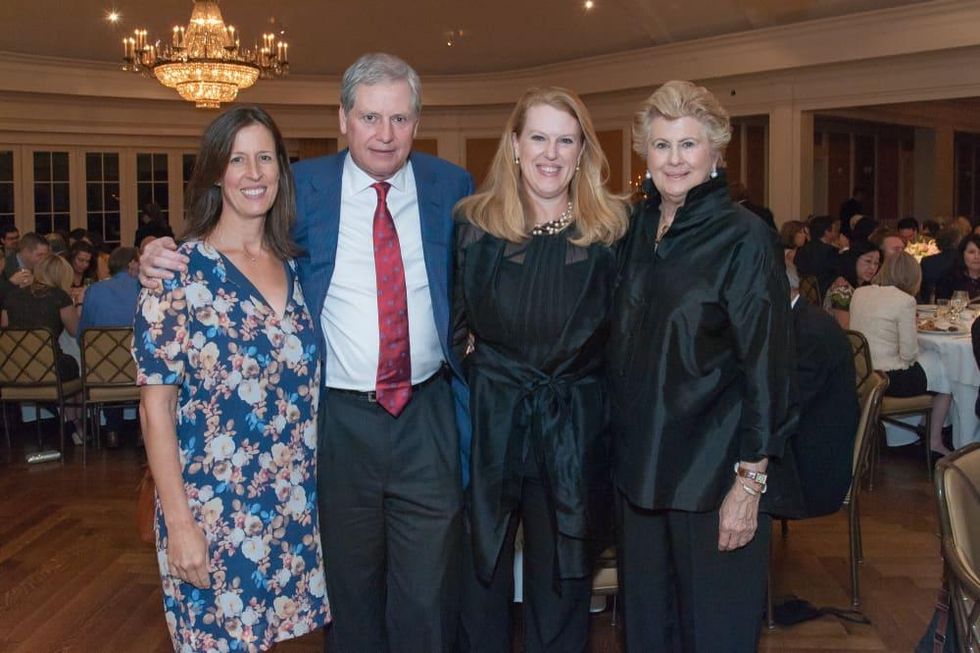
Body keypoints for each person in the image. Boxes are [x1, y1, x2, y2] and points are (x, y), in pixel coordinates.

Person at [140, 53, 473, 653]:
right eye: (370, 117)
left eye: (399, 119)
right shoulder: (305, 190)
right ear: (343, 118)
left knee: (429, 595)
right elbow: (224, 244)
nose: (385, 134)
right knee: (347, 594)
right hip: (335, 425)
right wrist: (156, 254)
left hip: (428, 418)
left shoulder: (451, 187)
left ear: (417, 123)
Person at [608, 80, 800, 652]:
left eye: (688, 145)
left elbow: (768, 365)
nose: (674, 159)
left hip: (712, 478)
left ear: (716, 152)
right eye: (662, 145)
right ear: (645, 152)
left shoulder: (745, 237)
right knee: (647, 635)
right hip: (638, 476)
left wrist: (750, 481)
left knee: (714, 636)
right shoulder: (634, 229)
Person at [133, 106, 330, 651]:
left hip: (289, 506)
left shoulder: (297, 268)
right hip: (210, 512)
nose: (253, 172)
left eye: (265, 157)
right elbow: (155, 409)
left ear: (280, 172)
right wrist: (179, 523)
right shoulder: (177, 272)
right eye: (237, 158)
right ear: (216, 172)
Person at [453, 87, 627, 652]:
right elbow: (454, 328)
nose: (550, 153)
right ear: (514, 144)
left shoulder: (612, 234)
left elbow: (626, 340)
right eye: (538, 137)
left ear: (582, 152)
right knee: (482, 586)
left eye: (565, 140)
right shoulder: (473, 227)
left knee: (563, 590)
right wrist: (491, 375)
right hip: (493, 431)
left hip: (574, 435)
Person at [849, 252, 952, 456]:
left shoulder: (860, 293)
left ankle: (917, 428)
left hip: (862, 375)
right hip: (890, 379)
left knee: (934, 366)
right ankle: (934, 439)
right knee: (946, 372)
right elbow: (908, 354)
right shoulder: (904, 300)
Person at [787, 263, 859, 518]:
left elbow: (791, 402)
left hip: (816, 461)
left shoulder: (810, 331)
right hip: (813, 431)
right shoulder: (805, 318)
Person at [77, 246, 140, 448]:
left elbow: (82, 336)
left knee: (108, 361)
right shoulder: (144, 288)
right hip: (137, 374)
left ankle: (112, 430)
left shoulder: (94, 291)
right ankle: (142, 430)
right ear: (131, 263)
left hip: (104, 375)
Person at [2, 253, 80, 380]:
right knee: (72, 362)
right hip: (49, 366)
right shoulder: (59, 297)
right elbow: (75, 331)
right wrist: (80, 303)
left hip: (14, 366)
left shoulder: (11, 296)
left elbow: (5, 330)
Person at [823, 240, 881, 329]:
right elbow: (846, 330)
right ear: (854, 260)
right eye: (868, 261)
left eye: (876, 263)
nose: (872, 267)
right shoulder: (842, 290)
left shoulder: (865, 287)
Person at [795, 214, 842, 296]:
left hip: (804, 293)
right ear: (827, 232)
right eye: (835, 230)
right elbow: (837, 276)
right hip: (825, 294)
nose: (837, 233)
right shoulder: (831, 251)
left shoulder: (801, 250)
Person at [919, 227, 961, 302]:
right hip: (957, 301)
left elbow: (922, 289)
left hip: (930, 303)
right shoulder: (962, 260)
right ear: (957, 242)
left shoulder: (927, 261)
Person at [936, 233, 980, 300]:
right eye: (971, 252)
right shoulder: (949, 278)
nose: (977, 257)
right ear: (962, 254)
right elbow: (942, 305)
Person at [66, 240, 96, 305]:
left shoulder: (90, 275)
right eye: (81, 260)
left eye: (87, 261)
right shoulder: (64, 275)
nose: (85, 265)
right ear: (72, 258)